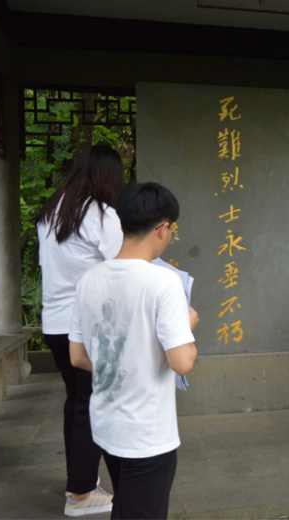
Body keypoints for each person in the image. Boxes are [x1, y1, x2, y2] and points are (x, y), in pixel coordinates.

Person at [68, 182, 200, 520]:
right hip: (146, 434)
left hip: (105, 424)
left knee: (127, 506)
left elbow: (78, 357)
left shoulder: (89, 279)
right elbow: (182, 362)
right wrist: (187, 325)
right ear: (162, 228)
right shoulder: (163, 282)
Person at [37, 144, 125, 515]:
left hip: (55, 323)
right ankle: (81, 495)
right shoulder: (100, 214)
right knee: (91, 406)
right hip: (87, 326)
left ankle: (81, 484)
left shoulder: (53, 212)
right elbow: (124, 266)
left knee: (77, 401)